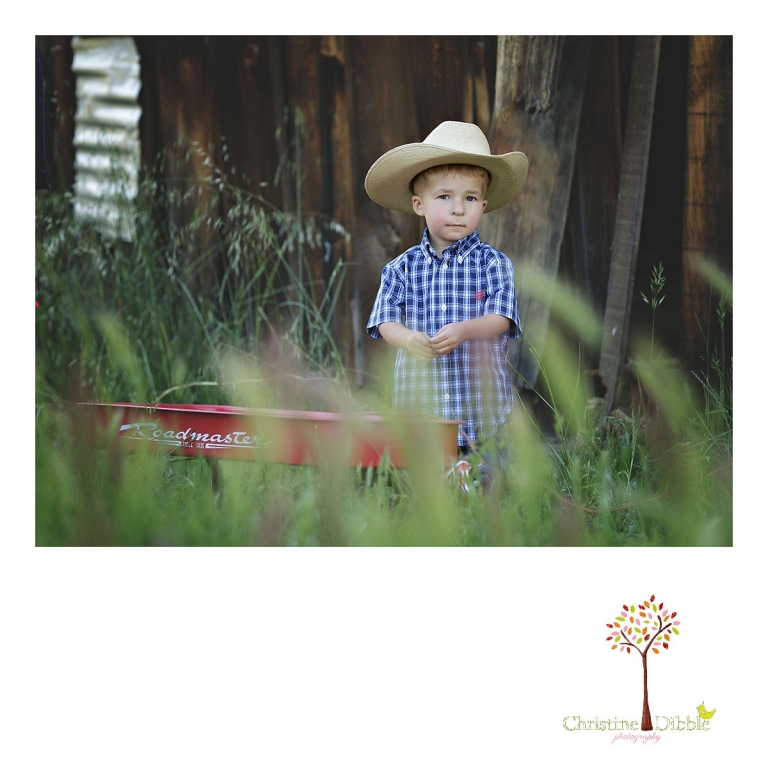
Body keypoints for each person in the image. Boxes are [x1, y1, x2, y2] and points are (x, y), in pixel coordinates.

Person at [365, 120, 528, 486]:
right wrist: (408, 339)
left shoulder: (494, 263)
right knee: (421, 484)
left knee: (487, 480)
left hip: (480, 412)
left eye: (469, 198)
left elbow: (502, 317)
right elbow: (384, 320)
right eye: (445, 197)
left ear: (483, 206)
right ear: (418, 204)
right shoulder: (401, 268)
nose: (458, 209)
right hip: (421, 411)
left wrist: (465, 330)